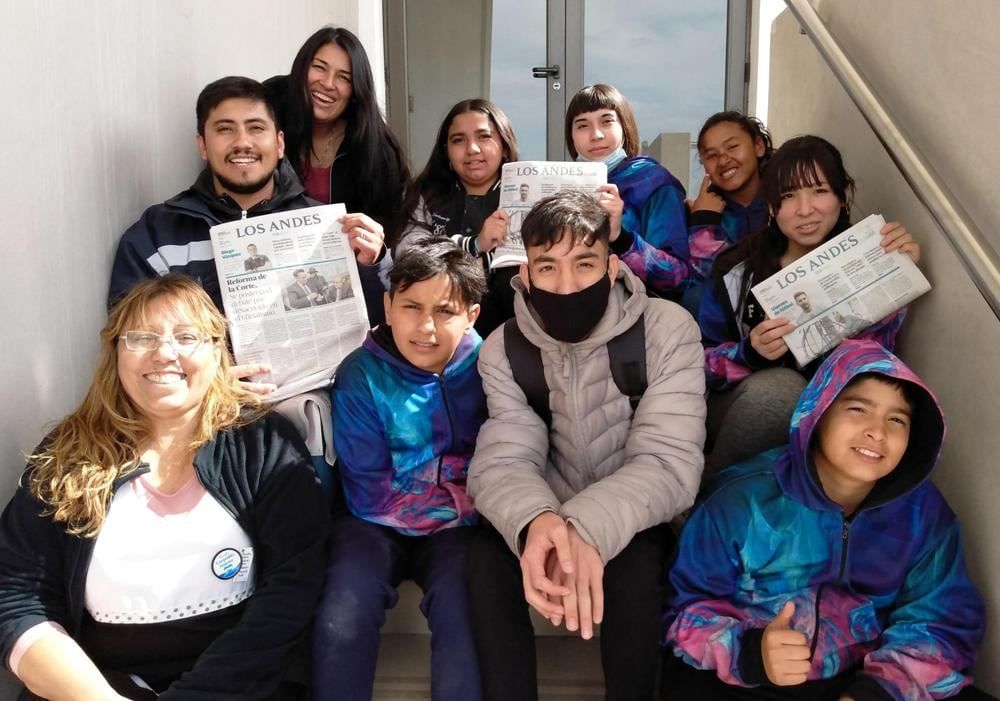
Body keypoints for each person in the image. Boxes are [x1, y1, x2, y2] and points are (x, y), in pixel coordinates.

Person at [0, 275, 329, 700]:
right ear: (115, 351)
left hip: (238, 688)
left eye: (187, 336)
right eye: (141, 337)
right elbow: (17, 595)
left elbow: (291, 589)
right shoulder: (66, 455)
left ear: (217, 351)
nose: (164, 353)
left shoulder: (264, 445)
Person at [466, 190, 706, 700]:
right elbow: (506, 455)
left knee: (639, 570)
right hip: (550, 503)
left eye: (584, 264)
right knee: (483, 562)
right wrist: (539, 521)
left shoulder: (666, 330)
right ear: (525, 276)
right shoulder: (503, 349)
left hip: (639, 514)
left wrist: (585, 528)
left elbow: (668, 462)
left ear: (613, 267)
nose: (567, 284)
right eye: (548, 268)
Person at [663, 340, 984, 700]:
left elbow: (942, 620)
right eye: (859, 410)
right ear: (818, 413)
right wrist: (753, 653)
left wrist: (875, 691)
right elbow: (682, 612)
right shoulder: (741, 499)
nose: (877, 432)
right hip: (751, 673)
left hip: (867, 676)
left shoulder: (922, 513)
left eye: (897, 419)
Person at [313, 237, 487, 700]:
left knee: (464, 604)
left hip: (458, 531)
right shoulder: (361, 375)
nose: (425, 327)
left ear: (471, 315)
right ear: (387, 306)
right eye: (411, 306)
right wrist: (465, 495)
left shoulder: (489, 364)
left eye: (445, 311)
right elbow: (372, 494)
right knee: (342, 612)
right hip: (373, 524)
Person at [699, 135, 921, 473]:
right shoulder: (736, 272)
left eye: (819, 191)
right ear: (772, 207)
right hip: (744, 403)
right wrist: (750, 353)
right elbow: (695, 365)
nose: (805, 210)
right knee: (780, 393)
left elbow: (875, 363)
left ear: (841, 196)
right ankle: (715, 499)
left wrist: (897, 272)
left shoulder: (870, 255)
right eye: (788, 196)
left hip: (830, 407)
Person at [108, 76, 385, 324]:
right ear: (202, 144)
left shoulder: (327, 227)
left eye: (255, 128)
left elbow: (379, 327)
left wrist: (372, 265)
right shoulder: (156, 234)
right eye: (225, 129)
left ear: (279, 144)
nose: (242, 142)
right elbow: (131, 336)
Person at [265, 26, 408, 326]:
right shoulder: (269, 108)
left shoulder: (376, 149)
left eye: (344, 77)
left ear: (356, 90)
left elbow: (389, 229)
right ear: (302, 67)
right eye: (319, 67)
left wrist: (373, 244)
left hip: (343, 286)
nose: (328, 84)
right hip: (269, 281)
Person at [399, 98, 520, 337]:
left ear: (504, 145)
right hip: (438, 337)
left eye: (484, 137)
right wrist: (474, 245)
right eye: (458, 140)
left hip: (516, 339)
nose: (472, 149)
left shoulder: (524, 192)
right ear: (446, 151)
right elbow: (408, 252)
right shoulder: (426, 195)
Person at [565, 83, 690, 300]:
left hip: (636, 310)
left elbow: (678, 277)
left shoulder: (653, 181)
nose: (595, 135)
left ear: (625, 127)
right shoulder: (563, 185)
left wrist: (620, 237)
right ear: (572, 137)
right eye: (582, 126)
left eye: (607, 122)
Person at [687, 111, 774, 284]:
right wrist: (704, 221)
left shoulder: (784, 198)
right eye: (711, 155)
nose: (723, 160)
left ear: (758, 146)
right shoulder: (704, 213)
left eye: (732, 147)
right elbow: (709, 279)